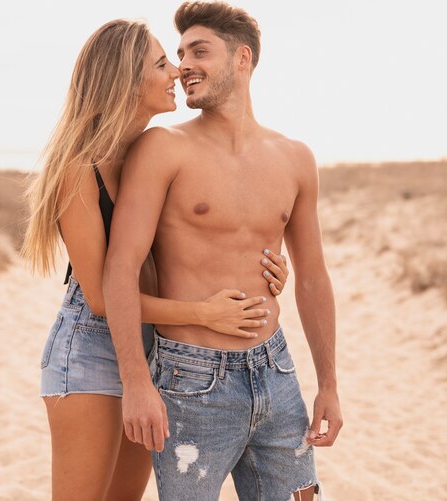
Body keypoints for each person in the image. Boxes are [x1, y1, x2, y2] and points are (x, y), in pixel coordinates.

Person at [21, 19, 289, 500]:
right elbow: (104, 298)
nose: (177, 72)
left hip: (159, 353)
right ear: (125, 78)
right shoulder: (78, 170)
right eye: (163, 63)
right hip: (92, 348)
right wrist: (204, 313)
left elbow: (196, 241)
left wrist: (268, 266)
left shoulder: (152, 154)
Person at [103, 2, 343, 500]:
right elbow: (121, 267)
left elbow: (314, 275)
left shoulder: (295, 158)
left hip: (276, 372)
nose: (184, 63)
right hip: (190, 379)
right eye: (180, 53)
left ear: (242, 59)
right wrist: (136, 383)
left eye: (199, 50)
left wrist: (329, 383)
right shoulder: (161, 149)